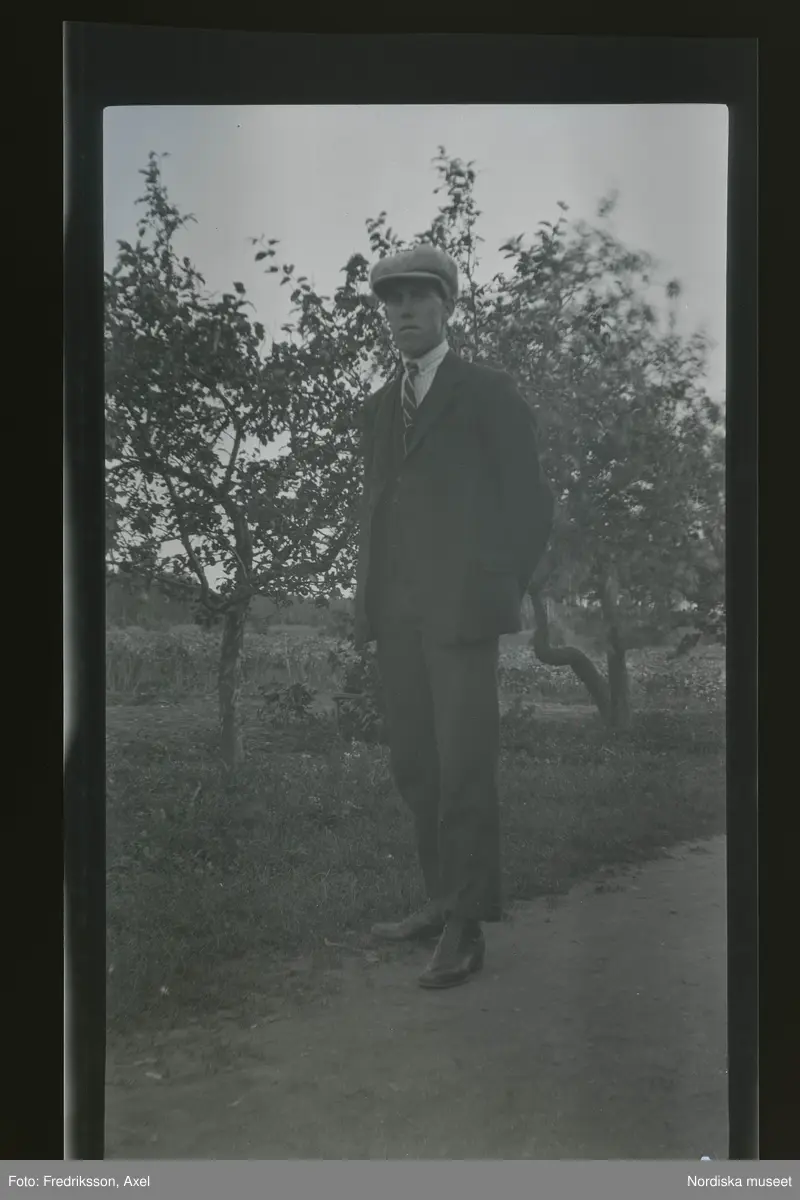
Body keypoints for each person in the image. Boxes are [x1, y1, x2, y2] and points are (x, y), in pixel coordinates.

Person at [353, 244, 554, 989]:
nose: (403, 311)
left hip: (462, 613)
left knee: (465, 765)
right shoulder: (381, 406)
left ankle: (466, 929)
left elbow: (530, 504)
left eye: (418, 297)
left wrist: (494, 582)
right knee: (417, 763)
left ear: (446, 306)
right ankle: (442, 901)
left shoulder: (487, 392)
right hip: (397, 614)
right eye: (392, 300)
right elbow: (381, 507)